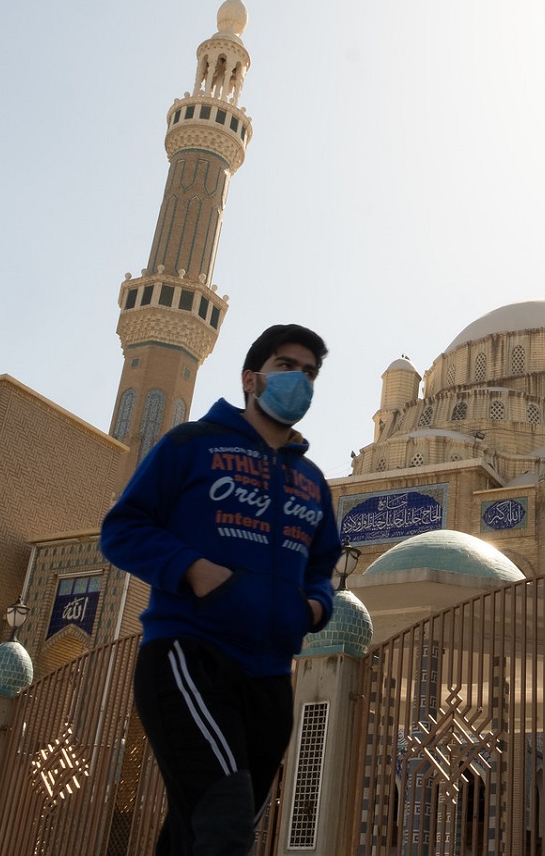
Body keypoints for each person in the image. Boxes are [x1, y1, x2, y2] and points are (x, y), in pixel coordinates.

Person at [101, 323, 341, 856]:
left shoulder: (313, 483)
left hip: (272, 675)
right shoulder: (192, 445)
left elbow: (323, 562)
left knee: (203, 832)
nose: (299, 380)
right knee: (225, 821)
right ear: (251, 379)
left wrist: (314, 605)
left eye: (310, 373)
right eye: (286, 367)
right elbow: (123, 529)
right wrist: (193, 569)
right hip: (191, 654)